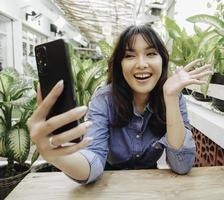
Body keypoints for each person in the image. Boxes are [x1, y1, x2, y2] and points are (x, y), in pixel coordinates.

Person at [27, 25, 212, 184]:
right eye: (130, 55)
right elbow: (93, 162)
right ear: (119, 64)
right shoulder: (104, 99)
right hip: (107, 183)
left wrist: (170, 98)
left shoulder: (173, 97)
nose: (141, 64)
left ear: (162, 61)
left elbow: (182, 165)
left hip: (152, 186)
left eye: (151, 54)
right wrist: (57, 156)